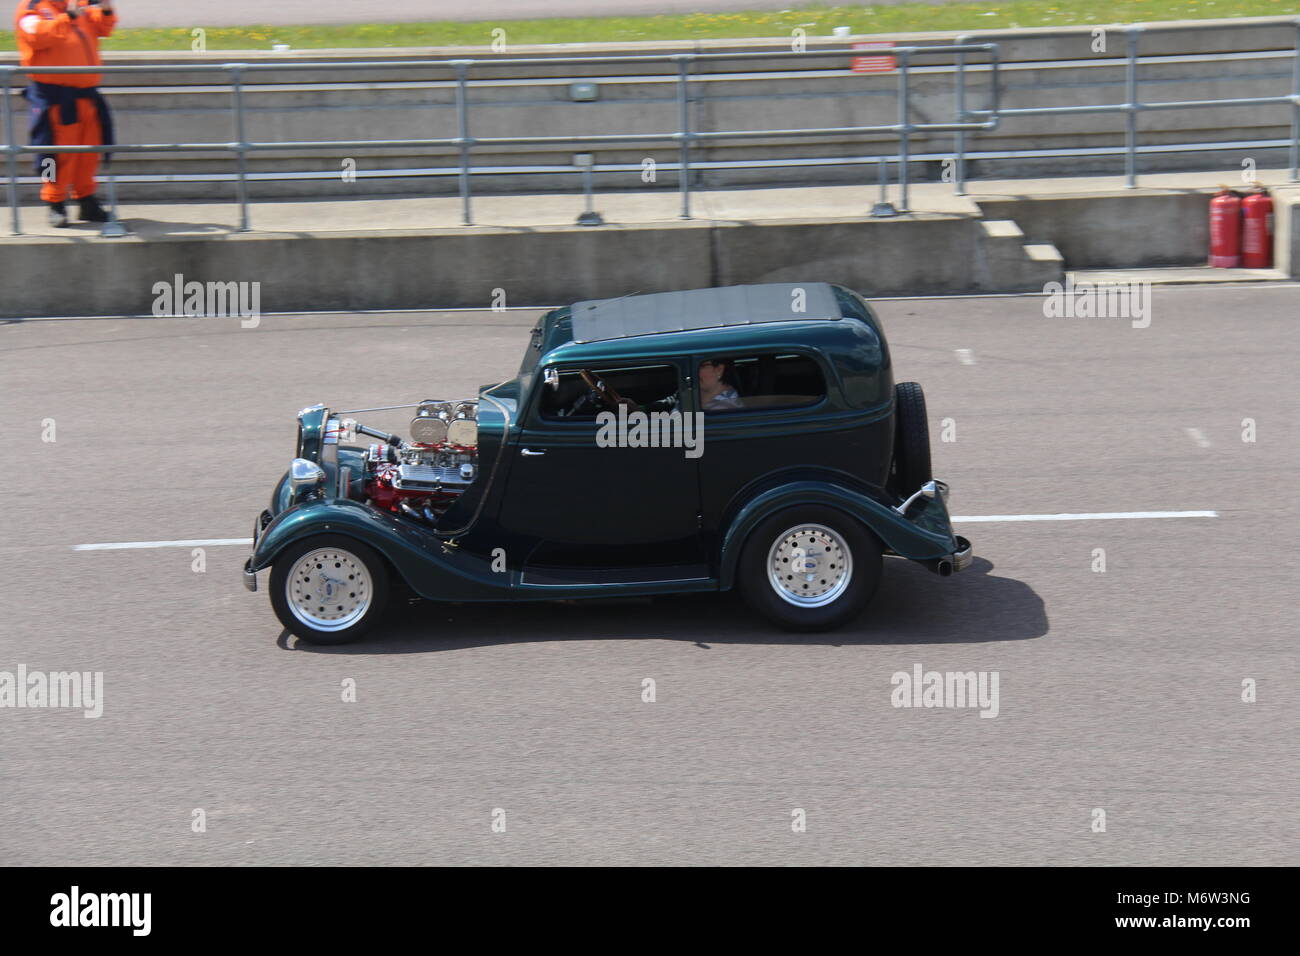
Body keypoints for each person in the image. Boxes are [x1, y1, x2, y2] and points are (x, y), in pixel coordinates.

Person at [14, 0, 118, 227]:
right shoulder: (32, 8)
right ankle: (55, 203)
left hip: (86, 97)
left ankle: (86, 200)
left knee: (88, 153)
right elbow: (36, 37)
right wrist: (68, 17)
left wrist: (106, 7)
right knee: (52, 154)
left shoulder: (77, 5)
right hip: (54, 100)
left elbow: (104, 27)